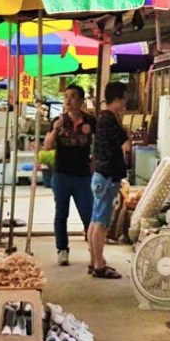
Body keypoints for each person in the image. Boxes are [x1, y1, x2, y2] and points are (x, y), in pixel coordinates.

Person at [43, 83, 96, 267]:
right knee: (61, 214)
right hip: (61, 174)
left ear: (81, 101)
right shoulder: (58, 120)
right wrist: (56, 129)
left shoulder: (90, 121)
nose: (68, 100)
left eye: (73, 96)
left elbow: (100, 144)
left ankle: (94, 250)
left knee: (88, 214)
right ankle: (62, 249)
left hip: (83, 176)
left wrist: (95, 164)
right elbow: (47, 146)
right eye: (66, 96)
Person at [89, 81, 130, 279]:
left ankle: (94, 260)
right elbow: (127, 145)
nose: (125, 102)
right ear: (119, 98)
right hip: (107, 177)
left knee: (95, 220)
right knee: (101, 223)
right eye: (124, 97)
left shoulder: (102, 118)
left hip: (100, 174)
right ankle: (98, 264)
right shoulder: (110, 120)